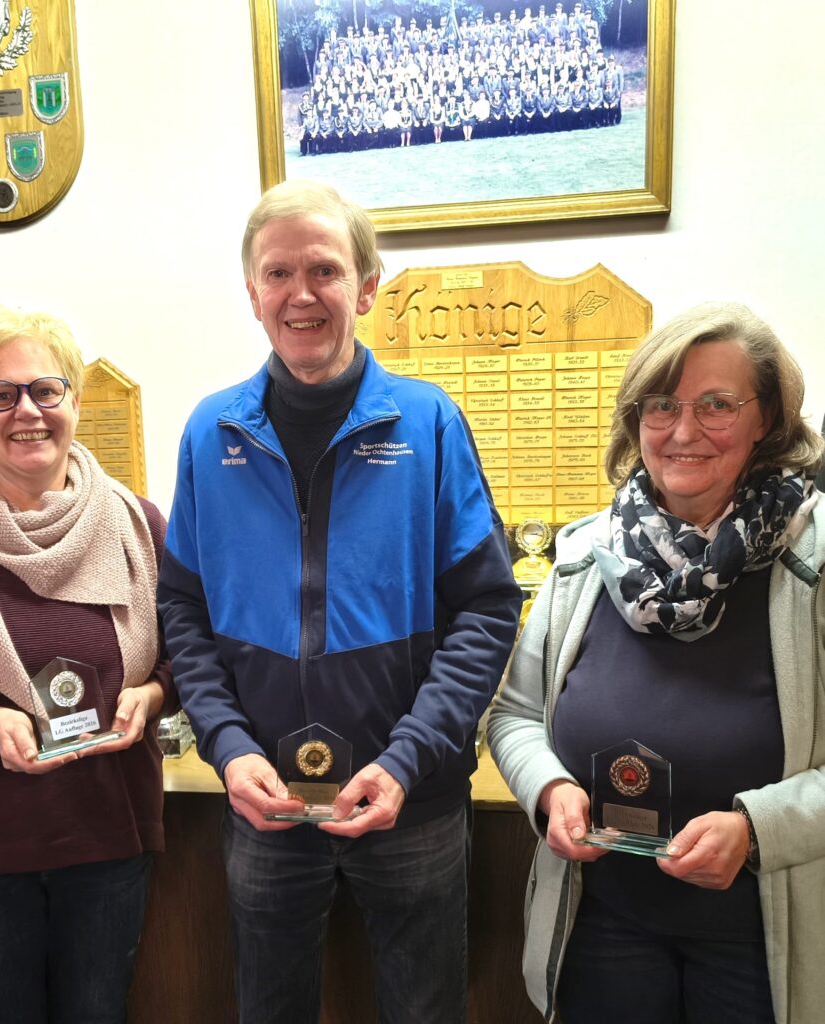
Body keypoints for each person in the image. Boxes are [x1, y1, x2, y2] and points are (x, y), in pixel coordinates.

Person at [157, 180, 521, 1024]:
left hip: (411, 802)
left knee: (425, 1010)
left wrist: (407, 759)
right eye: (277, 272)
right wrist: (228, 746)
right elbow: (183, 611)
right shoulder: (211, 433)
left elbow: (487, 609)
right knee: (269, 1007)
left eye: (324, 269)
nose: (301, 293)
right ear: (252, 293)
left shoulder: (429, 423)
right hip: (266, 802)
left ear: (365, 287)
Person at [488, 302, 825, 1024]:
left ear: (767, 417)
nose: (683, 431)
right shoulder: (583, 557)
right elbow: (514, 716)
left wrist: (758, 829)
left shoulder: (814, 562)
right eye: (661, 404)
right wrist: (549, 788)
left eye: (717, 405)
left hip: (764, 941)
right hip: (602, 924)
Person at [0, 305, 174, 1024]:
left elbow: (192, 655)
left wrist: (154, 695)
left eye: (45, 389)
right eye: (1, 394)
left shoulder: (139, 525)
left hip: (107, 832)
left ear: (75, 400)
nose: (27, 411)